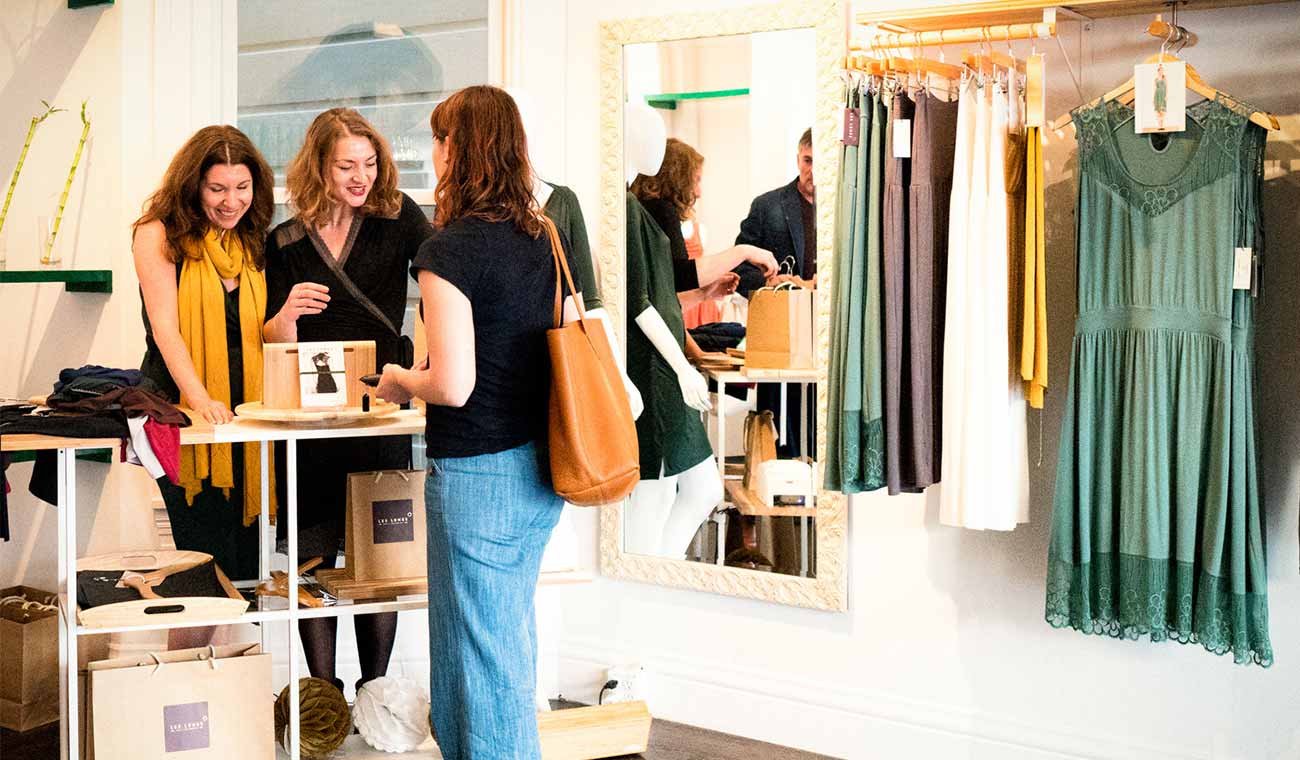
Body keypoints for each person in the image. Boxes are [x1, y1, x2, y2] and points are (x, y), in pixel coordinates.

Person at [375, 85, 572, 760]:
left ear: (458, 149)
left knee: (482, 663)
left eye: (439, 137)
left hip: (476, 474)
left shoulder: (448, 249)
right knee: (487, 647)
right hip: (539, 468)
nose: (433, 151)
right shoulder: (540, 237)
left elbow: (451, 384)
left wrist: (401, 379)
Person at [262, 108, 433, 696]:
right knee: (313, 554)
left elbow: (440, 291)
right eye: (346, 166)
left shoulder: (400, 217)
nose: (361, 177)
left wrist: (419, 370)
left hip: (379, 405)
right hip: (310, 415)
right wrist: (286, 315)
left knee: (379, 552)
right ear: (319, 167)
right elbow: (270, 343)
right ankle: (324, 694)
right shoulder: (284, 240)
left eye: (369, 163)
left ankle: (376, 691)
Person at [132, 125, 276, 647]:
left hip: (250, 414)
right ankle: (189, 686)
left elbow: (259, 333)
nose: (231, 201)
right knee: (198, 560)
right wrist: (199, 399)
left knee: (247, 561)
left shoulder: (251, 238)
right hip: (180, 409)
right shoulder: (157, 232)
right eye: (218, 189)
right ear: (193, 185)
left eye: (242, 187)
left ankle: (234, 682)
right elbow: (165, 329)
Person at [631, 137, 777, 360]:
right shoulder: (662, 211)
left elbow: (663, 298)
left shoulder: (644, 210)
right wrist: (743, 252)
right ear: (677, 178)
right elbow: (681, 275)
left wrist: (703, 294)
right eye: (695, 180)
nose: (698, 192)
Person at [732, 127, 816, 295]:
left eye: (818, 162)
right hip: (780, 311)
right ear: (797, 160)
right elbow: (738, 267)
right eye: (808, 160)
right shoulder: (766, 206)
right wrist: (769, 282)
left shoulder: (848, 210)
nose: (813, 170)